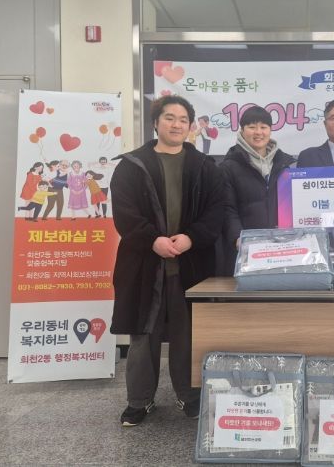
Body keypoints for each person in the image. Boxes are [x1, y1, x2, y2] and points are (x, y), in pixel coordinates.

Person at [110, 95, 225, 427]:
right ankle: (139, 401)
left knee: (187, 333)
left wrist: (191, 237)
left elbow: (216, 211)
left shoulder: (204, 166)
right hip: (145, 264)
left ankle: (189, 395)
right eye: (169, 118)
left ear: (190, 126)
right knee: (143, 335)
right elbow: (124, 213)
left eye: (183, 119)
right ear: (156, 123)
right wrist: (153, 240)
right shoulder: (132, 165)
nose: (176, 124)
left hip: (190, 265)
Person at [218, 106, 295, 275]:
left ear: (270, 130)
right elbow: (227, 209)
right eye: (252, 127)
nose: (258, 132)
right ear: (242, 130)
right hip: (245, 250)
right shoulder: (228, 167)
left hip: (282, 249)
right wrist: (238, 238)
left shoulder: (285, 165)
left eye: (263, 127)